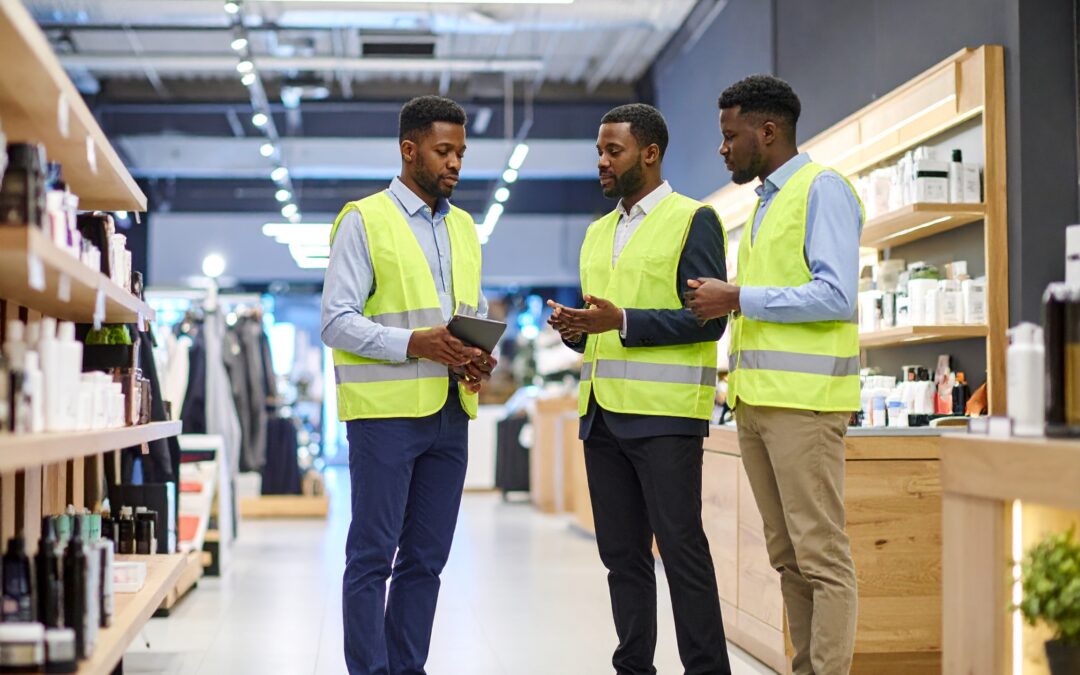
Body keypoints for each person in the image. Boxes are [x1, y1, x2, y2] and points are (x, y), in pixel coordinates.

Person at [685, 75, 863, 675]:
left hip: (806, 406)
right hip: (758, 407)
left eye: (730, 135)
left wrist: (738, 296)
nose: (723, 148)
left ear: (767, 131)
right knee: (786, 555)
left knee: (822, 556)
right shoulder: (762, 204)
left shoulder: (823, 190)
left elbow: (836, 296)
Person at [548, 103, 732, 675]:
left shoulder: (692, 219)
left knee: (682, 554)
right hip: (602, 417)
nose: (601, 162)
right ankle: (633, 668)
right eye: (599, 151)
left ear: (649, 154)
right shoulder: (596, 233)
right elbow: (601, 327)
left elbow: (709, 319)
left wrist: (621, 321)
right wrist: (577, 330)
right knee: (622, 560)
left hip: (665, 418)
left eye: (613, 151)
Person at [320, 95, 496, 675]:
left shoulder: (465, 227)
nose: (454, 164)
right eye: (444, 151)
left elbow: (466, 311)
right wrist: (412, 343)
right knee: (373, 556)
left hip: (451, 410)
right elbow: (336, 320)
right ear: (409, 149)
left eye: (461, 154)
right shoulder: (364, 220)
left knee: (426, 560)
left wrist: (474, 356)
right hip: (385, 414)